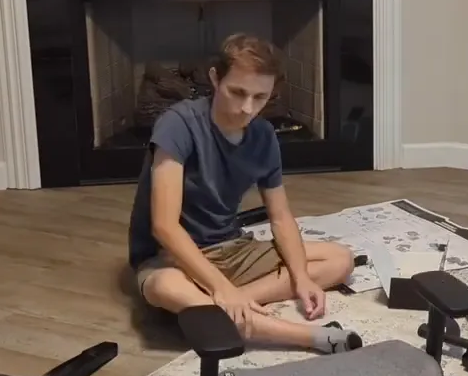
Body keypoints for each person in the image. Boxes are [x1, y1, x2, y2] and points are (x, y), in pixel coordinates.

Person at [127, 33, 361, 354]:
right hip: (171, 257)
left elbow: (280, 218)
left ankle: (217, 307)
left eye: (259, 97)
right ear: (215, 77)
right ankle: (309, 337)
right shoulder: (177, 124)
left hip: (231, 249)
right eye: (237, 92)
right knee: (164, 286)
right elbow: (164, 227)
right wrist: (222, 286)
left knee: (340, 259)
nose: (246, 108)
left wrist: (302, 277)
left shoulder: (263, 136)